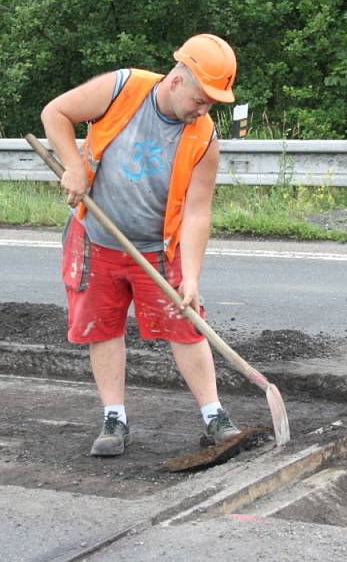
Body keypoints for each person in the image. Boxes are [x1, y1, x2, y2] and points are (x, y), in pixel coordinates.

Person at [40, 34, 241, 456]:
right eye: (200, 98)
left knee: (186, 325)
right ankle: (114, 418)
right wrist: (74, 167)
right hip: (96, 237)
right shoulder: (122, 89)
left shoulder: (203, 138)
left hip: (157, 247)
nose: (204, 110)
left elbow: (197, 213)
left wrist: (191, 277)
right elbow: (55, 112)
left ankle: (215, 417)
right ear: (176, 79)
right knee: (103, 326)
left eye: (212, 103)